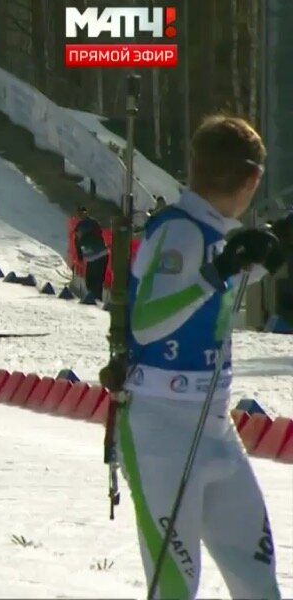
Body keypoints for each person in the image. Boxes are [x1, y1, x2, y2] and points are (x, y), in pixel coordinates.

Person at [107, 115, 287, 599]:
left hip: (214, 429)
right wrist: (220, 269)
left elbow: (219, 299)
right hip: (160, 431)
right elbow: (148, 322)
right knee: (175, 588)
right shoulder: (182, 232)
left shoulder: (213, 231)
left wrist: (264, 250)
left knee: (257, 583)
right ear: (252, 180)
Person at [73, 206, 109, 299]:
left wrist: (80, 258)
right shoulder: (94, 222)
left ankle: (94, 300)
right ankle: (98, 299)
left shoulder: (81, 226)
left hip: (94, 257)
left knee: (91, 281)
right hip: (103, 255)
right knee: (98, 280)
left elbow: (77, 242)